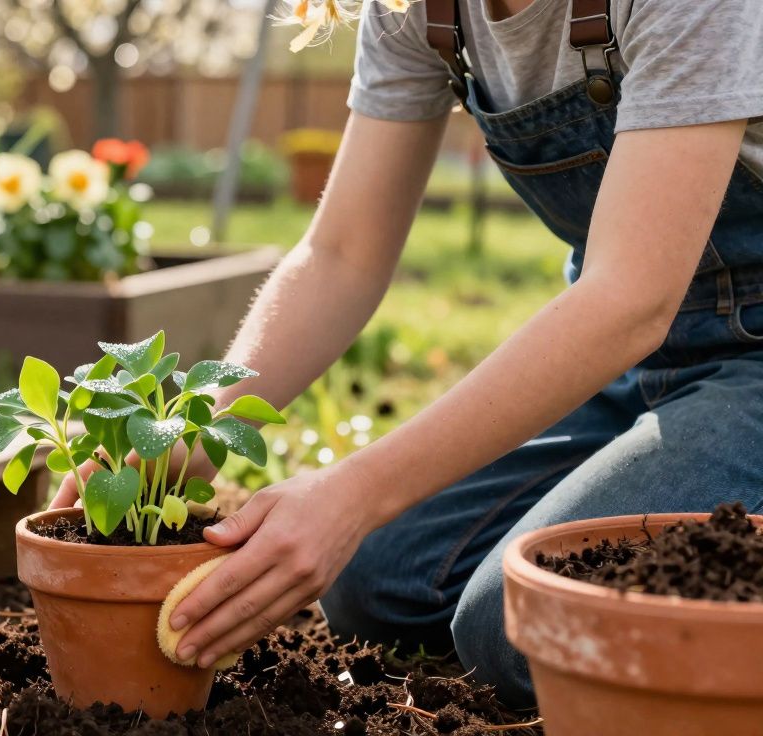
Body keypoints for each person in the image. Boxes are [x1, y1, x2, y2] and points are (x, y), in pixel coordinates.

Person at [50, 0, 763, 705]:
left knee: (517, 628)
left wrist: (352, 494)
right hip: (639, 365)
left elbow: (628, 298)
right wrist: (201, 423)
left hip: (721, 355)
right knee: (378, 578)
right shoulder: (416, 10)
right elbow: (341, 254)